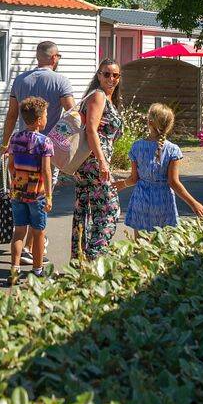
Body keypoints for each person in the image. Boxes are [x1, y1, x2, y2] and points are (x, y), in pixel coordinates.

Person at [0, 41, 75, 262]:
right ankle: (32, 248)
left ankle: (27, 243)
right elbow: (73, 115)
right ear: (53, 58)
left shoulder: (21, 80)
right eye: (58, 56)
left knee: (24, 194)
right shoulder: (60, 81)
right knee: (40, 198)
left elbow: (12, 115)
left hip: (22, 149)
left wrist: (6, 144)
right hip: (46, 148)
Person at [114, 103, 203, 234]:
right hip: (164, 201)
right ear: (169, 125)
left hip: (141, 200)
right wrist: (193, 203)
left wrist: (121, 184)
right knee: (163, 245)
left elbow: (134, 179)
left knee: (140, 246)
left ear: (149, 122)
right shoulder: (173, 150)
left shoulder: (137, 147)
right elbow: (173, 182)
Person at [71, 58, 124, 260]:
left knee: (84, 210)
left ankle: (80, 261)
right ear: (98, 75)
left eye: (115, 75)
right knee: (110, 210)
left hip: (88, 164)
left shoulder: (104, 98)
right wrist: (103, 161)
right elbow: (91, 130)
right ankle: (94, 256)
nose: (111, 78)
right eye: (106, 74)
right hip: (93, 163)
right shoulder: (99, 96)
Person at [7, 96, 55, 285]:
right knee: (38, 232)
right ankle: (37, 270)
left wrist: (17, 181)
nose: (46, 119)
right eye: (45, 116)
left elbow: (11, 165)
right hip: (37, 194)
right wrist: (49, 196)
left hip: (18, 191)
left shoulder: (15, 138)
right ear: (38, 120)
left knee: (19, 231)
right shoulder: (45, 142)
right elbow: (46, 170)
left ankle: (14, 271)